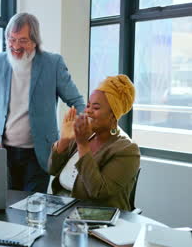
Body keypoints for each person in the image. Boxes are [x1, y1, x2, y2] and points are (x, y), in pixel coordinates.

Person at [0, 12, 85, 193]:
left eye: (22, 41)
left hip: (38, 154)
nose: (15, 46)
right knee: (5, 206)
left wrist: (86, 132)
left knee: (32, 208)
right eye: (11, 39)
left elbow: (76, 101)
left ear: (34, 41)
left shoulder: (52, 63)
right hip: (3, 151)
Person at [48, 75, 140, 210]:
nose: (88, 111)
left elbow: (99, 191)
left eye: (96, 108)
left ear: (113, 114)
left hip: (96, 217)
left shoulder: (127, 150)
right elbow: (52, 169)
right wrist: (64, 141)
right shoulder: (85, 134)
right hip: (61, 208)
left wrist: (82, 145)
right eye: (88, 105)